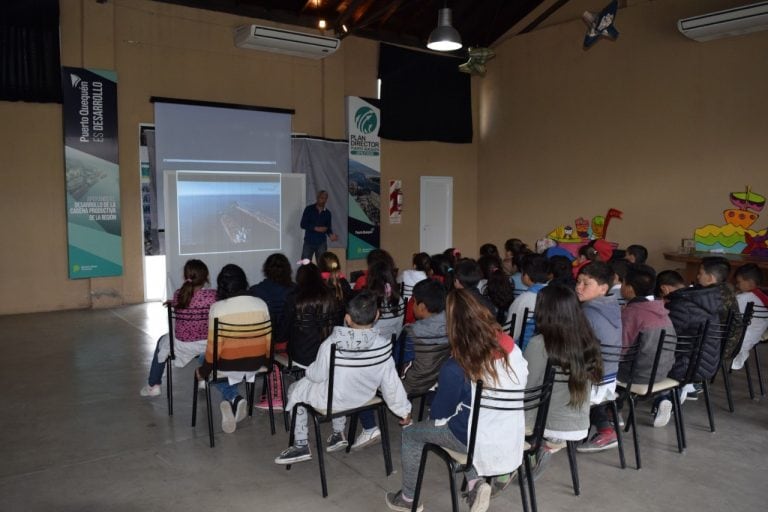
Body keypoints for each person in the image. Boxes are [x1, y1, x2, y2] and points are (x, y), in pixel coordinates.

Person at [385, 289, 528, 512]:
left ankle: (407, 499)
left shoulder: (456, 366)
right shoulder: (511, 347)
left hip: (475, 436)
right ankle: (474, 482)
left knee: (412, 434)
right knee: (464, 419)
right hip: (511, 428)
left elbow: (441, 416)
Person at [274, 291, 411, 464]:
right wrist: (403, 411)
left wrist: (308, 371)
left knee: (295, 389)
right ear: (377, 315)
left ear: (347, 318)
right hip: (364, 397)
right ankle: (338, 433)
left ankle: (301, 444)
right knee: (336, 382)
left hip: (335, 400)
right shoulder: (383, 345)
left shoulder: (331, 344)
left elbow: (317, 376)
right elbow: (391, 383)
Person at [354, 279, 450, 451]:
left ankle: (369, 427)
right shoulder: (453, 326)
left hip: (408, 384)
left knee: (359, 376)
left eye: (413, 301)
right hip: (436, 380)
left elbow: (394, 363)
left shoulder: (411, 332)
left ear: (422, 307)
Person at [521, 285, 603, 479]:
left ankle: (505, 469)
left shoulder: (540, 344)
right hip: (579, 423)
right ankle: (546, 446)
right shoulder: (588, 340)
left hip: (546, 424)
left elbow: (526, 389)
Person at [195, 264, 271, 434]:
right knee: (227, 361)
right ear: (244, 282)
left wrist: (203, 371)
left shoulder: (217, 308)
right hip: (258, 363)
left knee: (202, 359)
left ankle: (234, 398)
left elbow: (213, 350)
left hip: (229, 365)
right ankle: (233, 400)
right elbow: (268, 340)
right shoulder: (261, 304)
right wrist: (265, 362)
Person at [140, 259, 217, 397]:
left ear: (185, 276)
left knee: (161, 342)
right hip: (209, 346)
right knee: (207, 342)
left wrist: (172, 303)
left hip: (182, 345)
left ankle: (153, 385)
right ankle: (204, 377)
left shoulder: (178, 295)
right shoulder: (213, 296)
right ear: (206, 277)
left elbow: (183, 302)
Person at [617, 264, 676, 427]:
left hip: (637, 376)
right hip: (663, 371)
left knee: (600, 366)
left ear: (629, 289)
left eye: (622, 283)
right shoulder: (661, 309)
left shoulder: (632, 313)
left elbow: (619, 351)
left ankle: (612, 412)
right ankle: (662, 397)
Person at [574, 261, 622, 452]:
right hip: (610, 375)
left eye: (586, 283)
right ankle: (603, 425)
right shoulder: (611, 305)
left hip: (595, 380)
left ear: (603, 288)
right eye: (578, 282)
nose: (579, 287)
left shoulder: (587, 312)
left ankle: (553, 436)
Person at [280, 262, 342, 367]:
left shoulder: (293, 298)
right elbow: (338, 325)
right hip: (328, 354)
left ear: (299, 278)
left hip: (302, 356)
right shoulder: (331, 296)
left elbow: (283, 332)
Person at [506, 253, 549, 349]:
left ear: (526, 275)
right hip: (549, 351)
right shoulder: (557, 294)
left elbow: (511, 332)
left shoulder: (524, 299)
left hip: (525, 351)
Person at [731, 263, 768, 370]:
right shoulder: (763, 297)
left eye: (739, 282)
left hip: (738, 342)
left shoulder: (744, 298)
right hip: (754, 339)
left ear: (750, 283)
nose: (737, 285)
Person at [248, 253, 295, 333]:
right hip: (290, 339)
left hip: (265, 337)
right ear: (287, 270)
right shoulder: (296, 289)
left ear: (266, 269)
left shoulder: (255, 290)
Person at [300, 190, 338, 263]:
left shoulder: (328, 213)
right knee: (305, 265)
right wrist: (315, 228)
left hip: (321, 243)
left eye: (325, 198)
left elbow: (328, 228)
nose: (323, 200)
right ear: (317, 198)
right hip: (309, 242)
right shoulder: (309, 209)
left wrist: (331, 235)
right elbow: (302, 224)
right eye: (321, 198)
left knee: (323, 265)